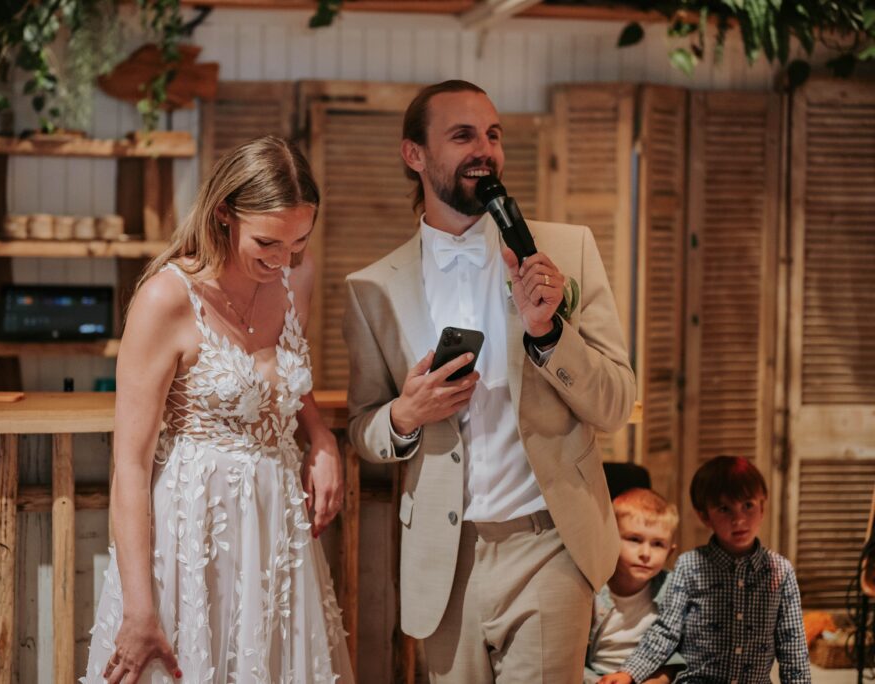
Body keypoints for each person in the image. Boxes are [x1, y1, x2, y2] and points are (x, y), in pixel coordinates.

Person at [342, 79, 636, 682]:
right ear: (414, 155)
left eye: (493, 134)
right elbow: (363, 428)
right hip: (444, 561)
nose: (486, 149)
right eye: (463, 135)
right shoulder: (372, 288)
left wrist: (550, 333)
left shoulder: (566, 251)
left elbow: (615, 404)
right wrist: (405, 415)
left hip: (549, 541)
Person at [83, 136, 353, 683]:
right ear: (224, 213)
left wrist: (320, 436)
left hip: (277, 531)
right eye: (268, 243)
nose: (284, 259)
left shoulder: (295, 277)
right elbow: (130, 466)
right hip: (194, 534)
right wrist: (139, 608)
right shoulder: (167, 298)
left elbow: (285, 380)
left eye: (298, 241)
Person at [599, 456, 811, 684]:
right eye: (724, 509)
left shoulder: (780, 571)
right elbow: (666, 631)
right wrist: (630, 673)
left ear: (762, 507)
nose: (738, 519)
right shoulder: (689, 566)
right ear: (704, 516)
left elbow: (792, 645)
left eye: (747, 505)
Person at [584, 488, 682, 684]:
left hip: (649, 676)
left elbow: (677, 650)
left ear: (670, 552)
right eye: (634, 540)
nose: (645, 553)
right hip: (595, 676)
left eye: (657, 544)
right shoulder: (590, 589)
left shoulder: (672, 588)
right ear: (610, 540)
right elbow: (571, 655)